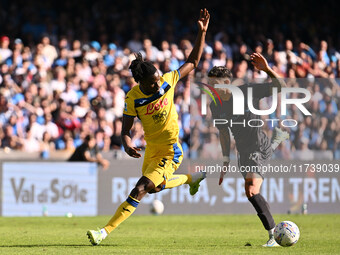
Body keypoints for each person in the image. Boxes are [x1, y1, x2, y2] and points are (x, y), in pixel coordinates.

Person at [87, 8, 210, 246]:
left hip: (170, 150)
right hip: (151, 150)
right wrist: (128, 144)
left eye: (157, 80)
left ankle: (103, 232)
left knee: (141, 188)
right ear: (140, 82)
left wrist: (201, 33)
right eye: (152, 83)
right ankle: (190, 179)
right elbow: (125, 131)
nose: (158, 84)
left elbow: (193, 62)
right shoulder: (133, 99)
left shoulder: (166, 81)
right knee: (155, 188)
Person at [208, 53, 289, 247]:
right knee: (249, 191)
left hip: (257, 147)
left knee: (252, 190)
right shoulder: (215, 105)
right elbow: (224, 133)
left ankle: (274, 236)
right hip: (243, 152)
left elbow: (282, 88)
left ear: (226, 82)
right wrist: (226, 159)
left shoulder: (246, 91)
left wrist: (268, 70)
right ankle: (276, 141)